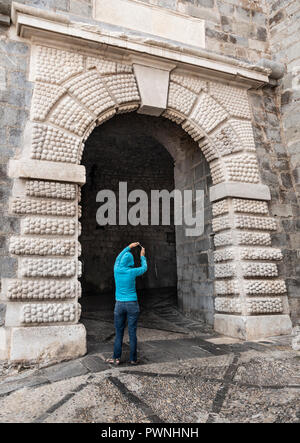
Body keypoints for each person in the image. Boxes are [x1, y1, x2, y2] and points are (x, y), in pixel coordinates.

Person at [106, 242, 147, 365]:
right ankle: (133, 359)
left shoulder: (117, 269)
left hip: (119, 305)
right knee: (132, 332)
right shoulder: (132, 272)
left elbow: (119, 256)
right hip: (132, 304)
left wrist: (129, 246)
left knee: (119, 332)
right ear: (130, 262)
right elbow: (144, 268)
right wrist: (142, 256)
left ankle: (116, 358)